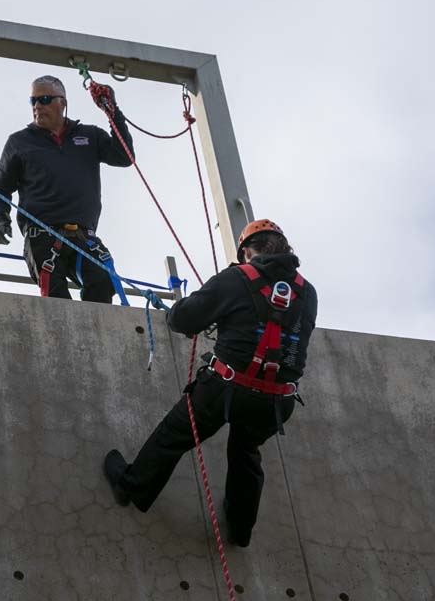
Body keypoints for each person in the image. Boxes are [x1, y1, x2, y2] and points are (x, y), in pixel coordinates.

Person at [103, 219, 318, 547]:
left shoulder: (236, 278)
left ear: (248, 252)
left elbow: (183, 318)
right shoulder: (307, 292)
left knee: (174, 435)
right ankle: (241, 529)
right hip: (277, 401)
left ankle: (132, 486)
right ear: (285, 248)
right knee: (246, 452)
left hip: (226, 388)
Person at [0, 75, 135, 303]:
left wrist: (112, 111)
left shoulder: (89, 136)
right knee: (56, 297)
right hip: (41, 236)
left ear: (62, 103)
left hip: (83, 235)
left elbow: (124, 156)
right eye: (33, 101)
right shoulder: (20, 142)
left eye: (45, 99)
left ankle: (91, 326)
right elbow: (0, 187)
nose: (37, 106)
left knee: (103, 281)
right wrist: (0, 219)